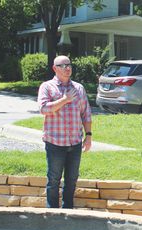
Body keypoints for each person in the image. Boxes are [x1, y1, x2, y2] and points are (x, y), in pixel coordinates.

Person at [38, 55, 92, 209]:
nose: (67, 68)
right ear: (55, 68)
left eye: (69, 65)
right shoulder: (47, 87)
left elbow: (86, 114)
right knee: (54, 179)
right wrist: (64, 100)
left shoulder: (79, 88)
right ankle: (52, 213)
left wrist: (88, 136)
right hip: (55, 142)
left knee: (72, 179)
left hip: (75, 143)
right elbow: (43, 109)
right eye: (63, 65)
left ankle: (68, 211)